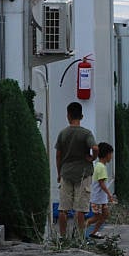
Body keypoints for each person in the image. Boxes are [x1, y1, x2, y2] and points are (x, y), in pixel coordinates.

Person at [55, 101, 99, 239]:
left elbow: (58, 155)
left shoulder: (63, 133)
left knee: (63, 209)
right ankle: (80, 238)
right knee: (80, 210)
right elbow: (96, 148)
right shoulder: (86, 133)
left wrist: (59, 173)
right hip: (83, 173)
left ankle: (62, 237)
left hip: (66, 172)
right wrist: (92, 158)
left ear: (68, 116)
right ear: (82, 116)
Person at [87, 142, 116, 240]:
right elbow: (101, 183)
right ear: (107, 154)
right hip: (98, 199)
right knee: (97, 217)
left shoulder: (98, 165)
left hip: (101, 199)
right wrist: (109, 195)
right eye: (111, 154)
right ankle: (81, 227)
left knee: (105, 214)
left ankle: (94, 232)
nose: (111, 157)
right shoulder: (101, 167)